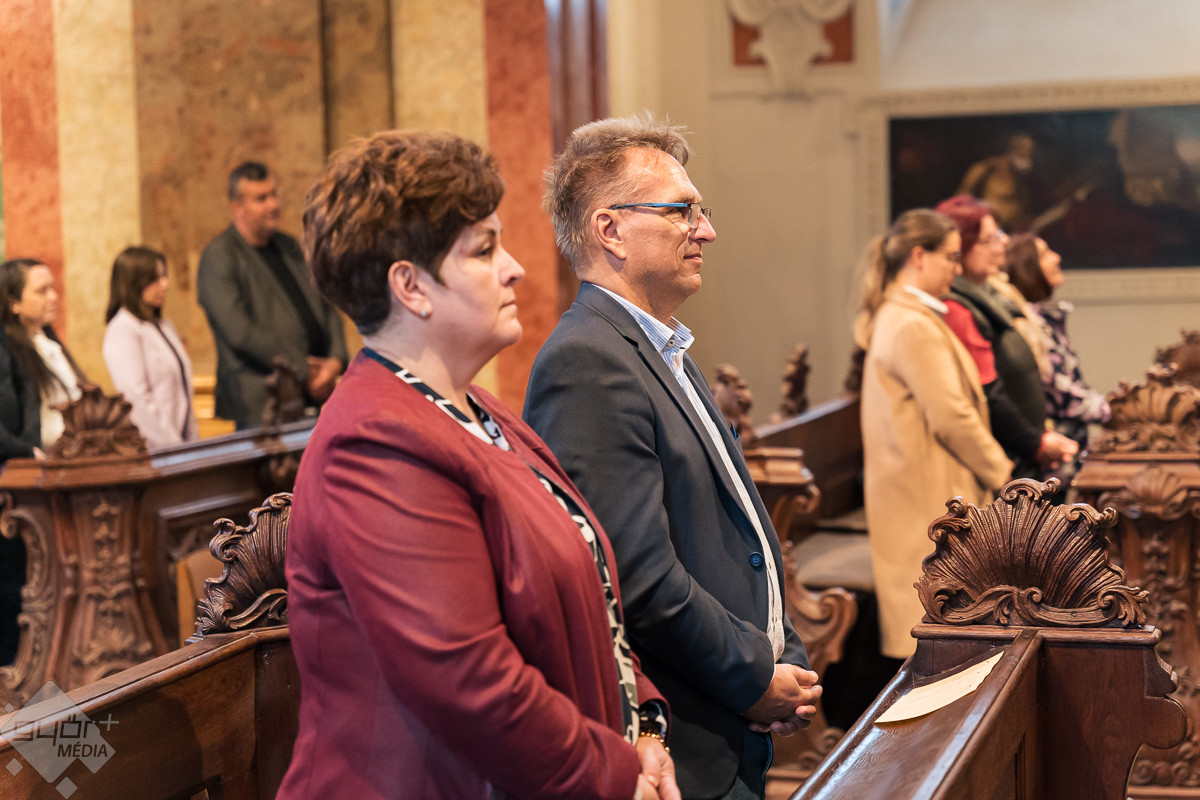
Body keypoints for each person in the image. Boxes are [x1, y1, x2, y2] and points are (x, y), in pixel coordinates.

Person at [277, 130, 679, 800]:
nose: (514, 268)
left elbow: (586, 591)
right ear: (410, 286)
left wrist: (643, 727)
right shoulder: (374, 442)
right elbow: (465, 677)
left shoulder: (482, 412)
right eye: (485, 249)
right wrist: (611, 775)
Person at [524, 114, 818, 800]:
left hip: (728, 714)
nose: (705, 230)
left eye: (701, 211)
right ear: (610, 230)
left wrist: (784, 656)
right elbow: (635, 577)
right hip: (681, 744)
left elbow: (737, 532)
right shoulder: (587, 360)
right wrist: (754, 676)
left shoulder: (660, 348)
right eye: (682, 210)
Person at [855, 210, 1012, 662]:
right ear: (919, 256)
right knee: (938, 640)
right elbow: (951, 416)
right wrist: (1002, 472)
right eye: (950, 257)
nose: (956, 269)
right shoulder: (911, 324)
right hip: (927, 498)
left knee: (942, 636)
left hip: (922, 489)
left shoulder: (908, 316)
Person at [197, 161, 348, 429]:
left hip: (315, 397)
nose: (273, 204)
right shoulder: (220, 257)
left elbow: (327, 305)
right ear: (237, 207)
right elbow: (240, 332)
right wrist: (304, 369)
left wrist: (335, 361)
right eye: (261, 199)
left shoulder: (291, 247)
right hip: (261, 405)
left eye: (274, 194)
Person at [935, 195, 1077, 479]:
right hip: (1008, 459)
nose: (1002, 246)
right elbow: (988, 394)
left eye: (999, 235)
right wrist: (1034, 444)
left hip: (1023, 450)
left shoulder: (991, 294)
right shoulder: (956, 307)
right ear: (960, 247)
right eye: (989, 240)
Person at [1004, 233, 1110, 473]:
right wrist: (1113, 410)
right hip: (1046, 463)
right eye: (1044, 254)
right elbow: (1056, 390)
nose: (1056, 258)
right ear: (1026, 269)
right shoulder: (1025, 322)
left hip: (1063, 455)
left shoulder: (1044, 318)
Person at [103, 246, 198, 447]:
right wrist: (173, 446)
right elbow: (136, 398)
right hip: (155, 448)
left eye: (164, 276)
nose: (165, 285)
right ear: (133, 282)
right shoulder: (122, 329)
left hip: (181, 445)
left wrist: (191, 443)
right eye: (156, 278)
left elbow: (183, 390)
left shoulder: (163, 326)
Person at [0, 259, 86, 451]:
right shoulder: (8, 353)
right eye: (41, 291)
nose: (53, 297)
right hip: (45, 459)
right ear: (14, 303)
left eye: (52, 288)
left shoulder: (49, 344)